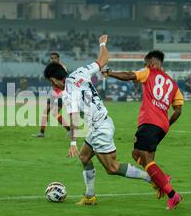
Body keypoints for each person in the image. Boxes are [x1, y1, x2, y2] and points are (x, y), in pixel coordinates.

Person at [44, 35, 152, 206]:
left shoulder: (68, 92)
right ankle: (90, 196)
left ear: (56, 79)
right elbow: (103, 59)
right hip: (100, 124)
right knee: (85, 157)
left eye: (52, 82)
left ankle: (151, 177)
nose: (53, 85)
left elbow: (72, 117)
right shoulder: (80, 72)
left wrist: (73, 143)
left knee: (112, 168)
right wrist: (102, 43)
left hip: (101, 127)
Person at [105, 50, 184, 210]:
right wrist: (167, 123)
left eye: (145, 64)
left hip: (149, 122)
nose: (144, 67)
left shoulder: (149, 72)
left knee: (143, 158)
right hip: (162, 126)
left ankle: (171, 193)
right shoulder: (173, 85)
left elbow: (129, 75)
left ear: (152, 63)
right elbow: (178, 111)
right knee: (143, 157)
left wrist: (110, 73)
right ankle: (160, 179)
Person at [33, 52, 70, 138]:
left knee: (55, 113)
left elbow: (64, 80)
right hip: (54, 93)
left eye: (55, 58)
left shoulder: (62, 68)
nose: (53, 60)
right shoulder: (50, 68)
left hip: (62, 93)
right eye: (52, 58)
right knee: (46, 111)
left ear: (58, 59)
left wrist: (54, 80)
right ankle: (41, 133)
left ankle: (69, 130)